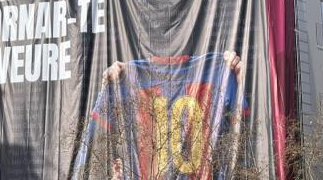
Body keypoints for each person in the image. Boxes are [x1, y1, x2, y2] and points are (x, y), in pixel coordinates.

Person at [73, 51, 245, 180]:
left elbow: (243, 128)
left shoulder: (218, 70)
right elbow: (93, 139)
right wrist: (108, 86)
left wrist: (239, 78)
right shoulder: (126, 77)